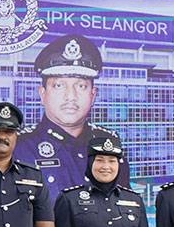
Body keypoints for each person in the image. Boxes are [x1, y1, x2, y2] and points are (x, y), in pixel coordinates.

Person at [14, 34, 129, 198]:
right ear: (42, 94)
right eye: (59, 85)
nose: (70, 96)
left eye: (81, 86)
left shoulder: (108, 142)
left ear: (93, 94)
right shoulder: (19, 148)